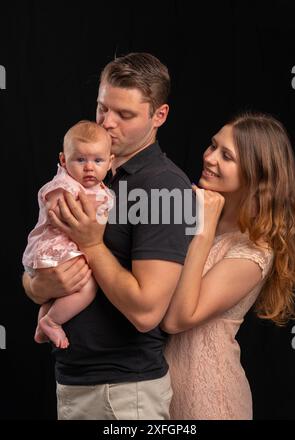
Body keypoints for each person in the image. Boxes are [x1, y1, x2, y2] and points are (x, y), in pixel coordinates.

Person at [22, 52, 194, 419]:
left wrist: (91, 244)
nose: (108, 124)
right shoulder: (87, 171)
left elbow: (146, 311)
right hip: (73, 378)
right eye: (103, 109)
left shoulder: (166, 188)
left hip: (123, 392)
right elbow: (40, 255)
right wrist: (37, 287)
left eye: (125, 115)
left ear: (159, 116)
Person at [161, 111, 295, 420]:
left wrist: (204, 230)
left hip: (211, 400)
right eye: (213, 146)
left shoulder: (255, 250)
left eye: (227, 156)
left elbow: (178, 318)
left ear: (255, 174)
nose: (210, 158)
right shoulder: (192, 213)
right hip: (161, 393)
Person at [22, 120, 114, 349]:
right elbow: (55, 209)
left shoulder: (102, 189)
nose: (89, 167)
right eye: (80, 160)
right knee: (88, 285)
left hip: (63, 252)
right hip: (53, 249)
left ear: (110, 162)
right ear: (64, 160)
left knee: (57, 293)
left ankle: (42, 322)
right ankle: (53, 321)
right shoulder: (64, 185)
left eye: (98, 160)